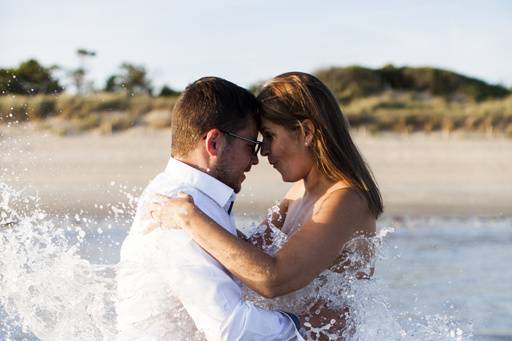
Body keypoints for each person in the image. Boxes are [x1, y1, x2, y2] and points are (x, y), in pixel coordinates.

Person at [149, 72, 384, 340]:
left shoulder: (347, 200)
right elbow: (247, 256)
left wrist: (190, 217)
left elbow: (273, 279)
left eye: (270, 136)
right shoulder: (299, 192)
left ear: (306, 132)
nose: (263, 152)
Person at [116, 77, 304, 340]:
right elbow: (231, 328)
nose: (254, 160)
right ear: (213, 142)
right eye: (252, 145)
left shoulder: (193, 200)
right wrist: (303, 324)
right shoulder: (177, 210)